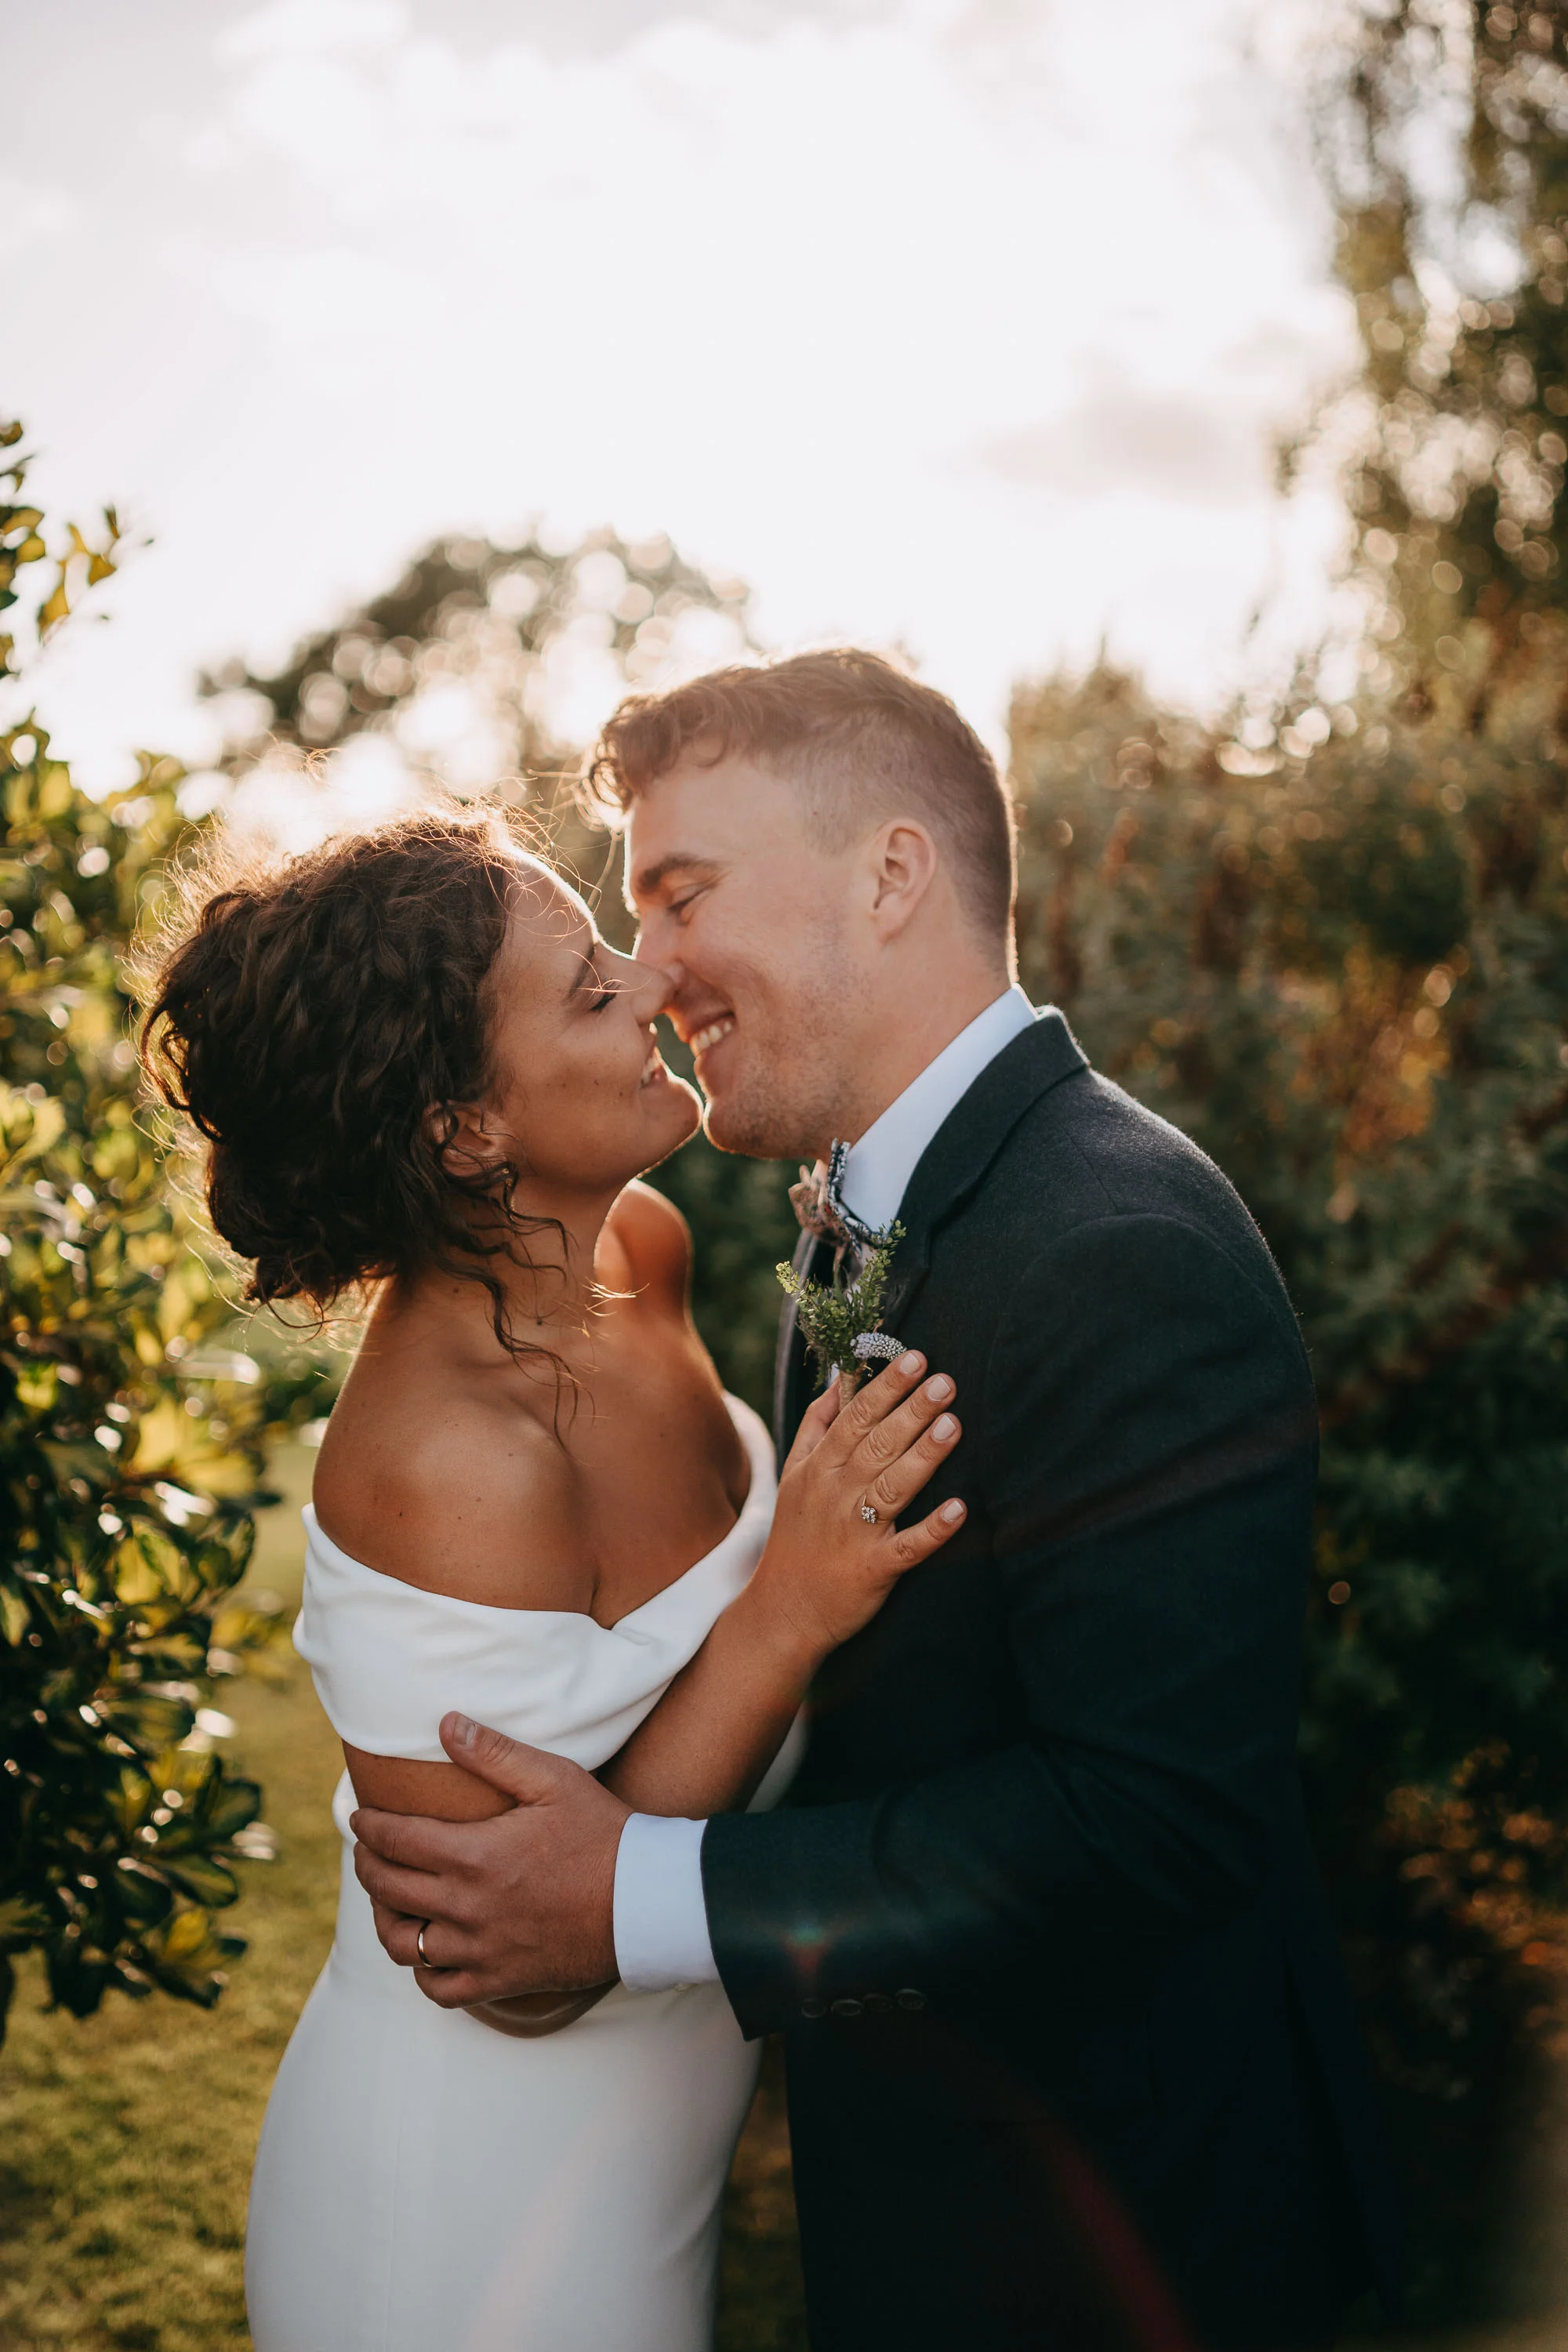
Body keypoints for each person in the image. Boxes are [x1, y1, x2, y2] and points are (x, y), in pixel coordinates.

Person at [354, 649, 1405, 2352]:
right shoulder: (859, 1196)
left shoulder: (1114, 1247)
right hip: (934, 2190)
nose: (656, 969)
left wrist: (634, 1892)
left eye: (685, 894)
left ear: (892, 873)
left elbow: (1152, 1821)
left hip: (1120, 2238)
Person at [140, 811, 969, 2352]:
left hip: (655, 2149)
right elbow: (513, 1968)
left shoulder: (637, 1253)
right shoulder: (447, 1466)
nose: (652, 979)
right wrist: (786, 1609)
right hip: (463, 2223)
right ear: (465, 1129)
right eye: (591, 991)